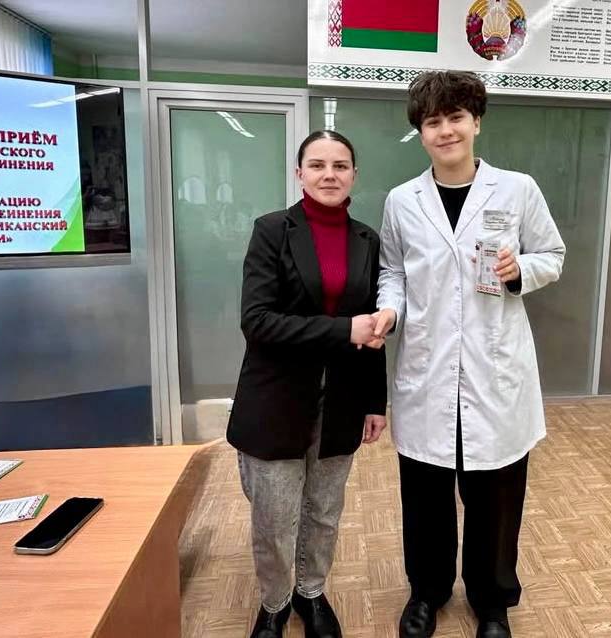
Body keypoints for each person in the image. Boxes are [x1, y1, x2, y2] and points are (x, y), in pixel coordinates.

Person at [372, 71, 566, 638]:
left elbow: (552, 254)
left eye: (456, 117)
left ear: (476, 122)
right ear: (421, 132)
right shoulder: (402, 201)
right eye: (433, 122)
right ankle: (426, 593)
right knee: (426, 496)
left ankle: (492, 602)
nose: (446, 131)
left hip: (495, 368)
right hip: (427, 370)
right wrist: (390, 311)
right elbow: (392, 272)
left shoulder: (518, 189)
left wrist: (520, 269)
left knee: (496, 498)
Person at [227, 130, 388, 638]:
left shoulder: (367, 240)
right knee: (275, 516)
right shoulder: (272, 230)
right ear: (299, 173)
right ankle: (274, 603)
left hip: (342, 398)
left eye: (340, 166)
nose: (329, 175)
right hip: (276, 398)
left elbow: (374, 328)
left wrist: (375, 402)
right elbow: (257, 321)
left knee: (323, 512)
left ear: (354, 175)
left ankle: (311, 592)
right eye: (317, 165)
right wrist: (343, 330)